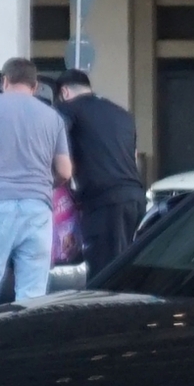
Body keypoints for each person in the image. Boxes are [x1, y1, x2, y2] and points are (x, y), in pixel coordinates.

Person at [0, 56, 71, 317]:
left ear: (4, 81)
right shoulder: (53, 117)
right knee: (32, 297)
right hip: (38, 211)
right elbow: (65, 170)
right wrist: (43, 187)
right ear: (35, 86)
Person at [55, 68, 145, 278]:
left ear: (65, 92)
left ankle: (107, 311)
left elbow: (57, 145)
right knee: (125, 266)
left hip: (105, 203)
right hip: (135, 198)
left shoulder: (68, 109)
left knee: (104, 273)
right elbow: (133, 154)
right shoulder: (122, 114)